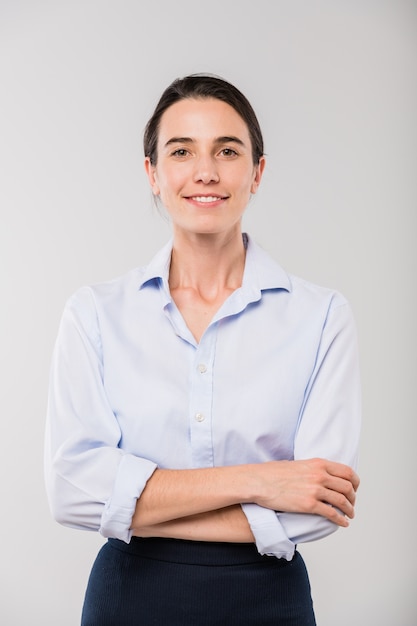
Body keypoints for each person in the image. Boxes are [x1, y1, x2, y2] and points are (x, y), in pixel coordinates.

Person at [45, 74, 361, 625]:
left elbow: (320, 510)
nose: (205, 172)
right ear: (153, 174)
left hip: (269, 603)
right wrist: (260, 480)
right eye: (182, 150)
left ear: (257, 171)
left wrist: (134, 506)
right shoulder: (95, 314)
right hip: (129, 602)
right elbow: (72, 494)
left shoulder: (321, 317)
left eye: (228, 150)